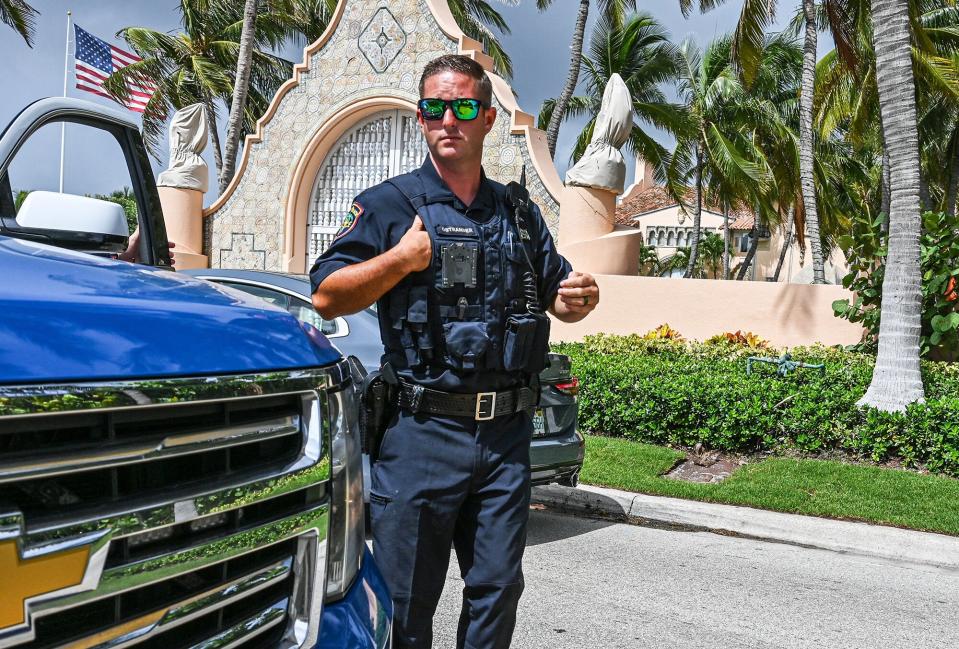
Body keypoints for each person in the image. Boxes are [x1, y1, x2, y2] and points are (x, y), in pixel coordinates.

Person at [309, 54, 598, 649]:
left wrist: (577, 298)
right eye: (435, 108)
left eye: (464, 107)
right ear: (420, 118)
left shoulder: (519, 214)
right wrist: (399, 260)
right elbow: (326, 295)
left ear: (488, 118)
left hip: (504, 438)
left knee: (496, 592)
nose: (449, 120)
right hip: (421, 433)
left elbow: (557, 295)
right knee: (406, 601)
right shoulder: (390, 205)